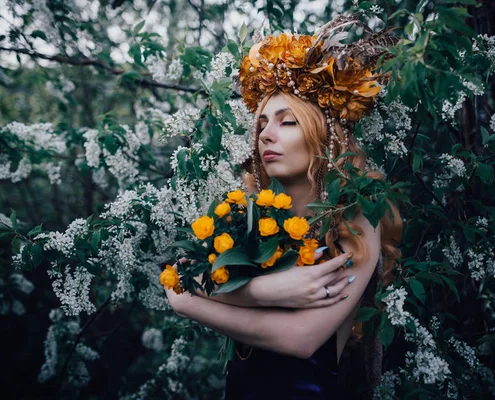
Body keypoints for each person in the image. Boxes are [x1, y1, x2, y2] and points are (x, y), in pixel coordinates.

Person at [165, 16, 403, 399]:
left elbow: (302, 340)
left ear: (324, 134)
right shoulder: (251, 213)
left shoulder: (354, 217)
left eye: (287, 121)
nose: (265, 135)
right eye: (260, 124)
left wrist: (192, 304)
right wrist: (269, 291)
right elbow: (181, 278)